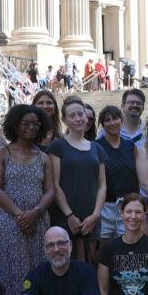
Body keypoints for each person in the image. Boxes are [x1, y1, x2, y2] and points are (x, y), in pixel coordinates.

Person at [0, 104, 56, 295]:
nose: (30, 128)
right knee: (8, 274)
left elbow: (50, 191)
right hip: (9, 222)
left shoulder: (44, 157)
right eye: (25, 123)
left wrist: (36, 212)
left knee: (36, 273)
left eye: (35, 124)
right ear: (15, 124)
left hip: (38, 223)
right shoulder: (2, 153)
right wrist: (20, 215)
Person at [49, 95, 109, 262]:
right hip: (66, 215)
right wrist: (69, 215)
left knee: (90, 263)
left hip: (91, 215)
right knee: (65, 261)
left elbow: (102, 185)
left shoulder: (97, 148)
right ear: (64, 120)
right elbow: (55, 184)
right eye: (72, 115)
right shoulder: (57, 146)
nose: (78, 119)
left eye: (80, 114)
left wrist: (96, 214)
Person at [97, 106, 140, 244]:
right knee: (105, 248)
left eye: (115, 118)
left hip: (127, 205)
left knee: (127, 246)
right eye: (107, 120)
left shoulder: (131, 146)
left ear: (121, 120)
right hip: (106, 206)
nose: (112, 123)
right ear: (102, 124)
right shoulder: (96, 146)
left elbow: (137, 176)